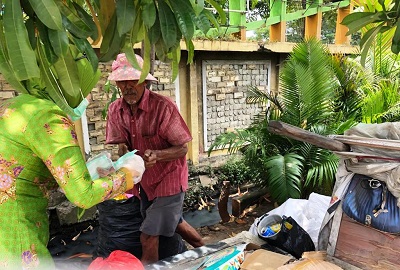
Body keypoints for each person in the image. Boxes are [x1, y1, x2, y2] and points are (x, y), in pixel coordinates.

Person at [0, 94, 143, 269]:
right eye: (85, 92)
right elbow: (83, 195)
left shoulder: (15, 105)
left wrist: (79, 174)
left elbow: (24, 168)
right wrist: (127, 174)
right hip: (14, 233)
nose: (88, 98)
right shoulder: (48, 116)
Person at [106, 53, 204, 264]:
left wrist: (157, 155)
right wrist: (117, 165)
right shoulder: (116, 109)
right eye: (123, 81)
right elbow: (122, 146)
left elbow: (182, 148)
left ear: (145, 82)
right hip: (146, 182)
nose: (128, 86)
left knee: (148, 235)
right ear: (117, 84)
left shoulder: (163, 107)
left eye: (134, 80)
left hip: (169, 178)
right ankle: (207, 249)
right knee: (175, 223)